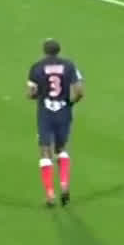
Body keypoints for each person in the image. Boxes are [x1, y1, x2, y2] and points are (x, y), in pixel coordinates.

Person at [25, 38, 84, 208]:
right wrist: (71, 103)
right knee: (61, 149)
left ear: (44, 51)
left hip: (46, 112)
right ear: (59, 50)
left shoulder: (36, 67)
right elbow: (79, 91)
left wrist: (35, 96)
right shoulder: (69, 65)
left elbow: (31, 92)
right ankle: (64, 184)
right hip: (63, 110)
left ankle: (50, 193)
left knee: (45, 152)